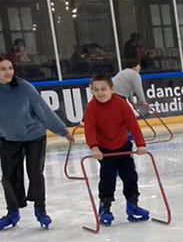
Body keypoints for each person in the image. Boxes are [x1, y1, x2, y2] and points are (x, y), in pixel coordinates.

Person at [0, 57, 70, 230]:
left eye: (10, 68)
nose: (8, 72)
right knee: (8, 177)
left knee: (35, 173)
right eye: (3, 69)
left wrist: (63, 131)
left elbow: (44, 111)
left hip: (34, 137)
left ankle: (40, 209)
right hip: (8, 139)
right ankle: (12, 213)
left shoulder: (24, 87)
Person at [82, 74, 150, 226]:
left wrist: (140, 144)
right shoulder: (91, 107)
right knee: (107, 180)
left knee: (130, 176)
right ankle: (105, 207)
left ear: (111, 89)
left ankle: (132, 205)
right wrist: (94, 147)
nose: (100, 93)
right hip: (105, 150)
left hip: (123, 146)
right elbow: (90, 128)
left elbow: (133, 124)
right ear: (92, 91)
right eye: (96, 90)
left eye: (103, 89)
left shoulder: (121, 103)